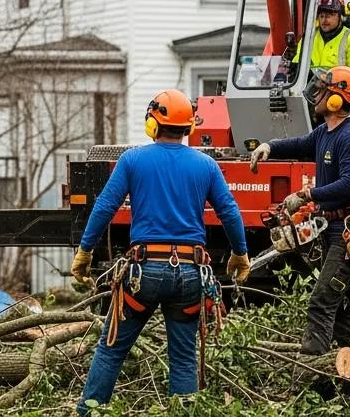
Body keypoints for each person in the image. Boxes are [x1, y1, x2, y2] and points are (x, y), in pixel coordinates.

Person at [70, 90, 250, 413]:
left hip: (143, 274)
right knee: (183, 358)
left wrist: (84, 251)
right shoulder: (206, 166)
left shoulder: (133, 160)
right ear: (188, 128)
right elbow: (230, 212)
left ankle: (88, 412)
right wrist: (240, 253)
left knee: (111, 349)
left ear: (153, 124)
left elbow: (104, 207)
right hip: (190, 276)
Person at [250, 66, 350, 356]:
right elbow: (299, 143)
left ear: (336, 100)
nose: (314, 94)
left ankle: (307, 380)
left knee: (321, 302)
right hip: (337, 229)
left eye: (322, 90)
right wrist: (269, 147)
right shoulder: (325, 132)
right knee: (342, 307)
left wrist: (307, 194)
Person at [296, 0, 350, 78]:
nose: (324, 20)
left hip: (339, 90)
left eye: (328, 16)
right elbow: (296, 66)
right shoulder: (308, 39)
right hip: (309, 89)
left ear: (339, 17)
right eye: (321, 16)